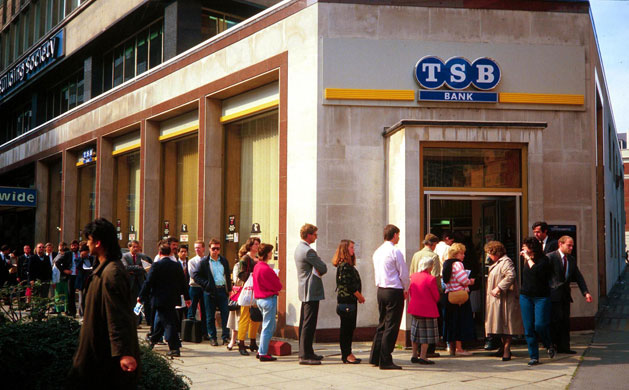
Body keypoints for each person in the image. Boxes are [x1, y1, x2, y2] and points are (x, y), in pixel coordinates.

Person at [69, 218, 140, 389]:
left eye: (89, 240)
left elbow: (118, 315)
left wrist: (124, 354)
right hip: (97, 352)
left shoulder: (111, 273)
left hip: (105, 359)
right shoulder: (102, 269)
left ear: (98, 242)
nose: (87, 244)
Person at [369, 224, 410, 370]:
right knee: (392, 325)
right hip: (393, 290)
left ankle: (375, 356)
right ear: (394, 235)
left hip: (381, 289)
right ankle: (385, 359)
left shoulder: (377, 251)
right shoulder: (395, 251)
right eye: (398, 235)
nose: (398, 237)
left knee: (382, 323)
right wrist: (406, 288)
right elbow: (403, 273)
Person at [139, 242, 190, 357]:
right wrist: (187, 298)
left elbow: (148, 282)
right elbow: (183, 283)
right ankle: (152, 342)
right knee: (164, 321)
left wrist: (141, 296)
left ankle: (174, 348)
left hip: (159, 298)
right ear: (171, 253)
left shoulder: (156, 265)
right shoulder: (177, 265)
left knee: (168, 323)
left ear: (159, 253)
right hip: (172, 299)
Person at [548, 236, 592, 354]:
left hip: (565, 296)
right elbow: (543, 276)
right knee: (555, 321)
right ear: (560, 244)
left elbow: (578, 276)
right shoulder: (551, 257)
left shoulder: (571, 259)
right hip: (553, 295)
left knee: (565, 322)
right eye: (569, 245)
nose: (571, 248)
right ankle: (552, 345)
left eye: (572, 245)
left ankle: (564, 347)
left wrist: (585, 292)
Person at [484, 241, 523, 361]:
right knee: (500, 324)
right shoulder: (497, 262)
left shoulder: (506, 261)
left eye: (489, 253)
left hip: (505, 299)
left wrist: (499, 288)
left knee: (507, 325)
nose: (488, 256)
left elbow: (511, 275)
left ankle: (506, 350)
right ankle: (503, 348)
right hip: (498, 300)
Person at [295, 223, 328, 365]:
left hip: (305, 289)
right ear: (308, 235)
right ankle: (304, 355)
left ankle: (308, 351)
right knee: (309, 323)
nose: (316, 236)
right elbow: (323, 267)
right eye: (315, 234)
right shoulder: (308, 251)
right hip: (310, 290)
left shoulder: (299, 248)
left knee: (305, 322)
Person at [519, 236, 555, 366]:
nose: (522, 249)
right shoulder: (525, 261)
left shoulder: (544, 260)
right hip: (526, 296)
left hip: (541, 297)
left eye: (524, 246)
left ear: (531, 248)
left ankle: (548, 343)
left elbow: (535, 272)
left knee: (539, 325)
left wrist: (528, 259)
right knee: (528, 328)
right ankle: (533, 356)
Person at [192, 238, 231, 346]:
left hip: (222, 290)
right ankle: (212, 337)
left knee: (225, 314)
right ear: (209, 249)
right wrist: (206, 284)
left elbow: (227, 275)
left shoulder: (223, 261)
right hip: (210, 292)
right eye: (213, 248)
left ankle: (225, 336)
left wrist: (230, 289)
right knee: (210, 316)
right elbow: (195, 275)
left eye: (218, 249)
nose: (215, 251)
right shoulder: (204, 262)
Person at [409, 233, 442, 358]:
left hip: (416, 293)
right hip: (428, 296)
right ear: (433, 244)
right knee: (428, 328)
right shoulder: (433, 256)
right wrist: (439, 292)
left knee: (416, 328)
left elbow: (411, 272)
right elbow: (436, 276)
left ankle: (415, 354)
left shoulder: (416, 255)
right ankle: (427, 352)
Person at [333, 239, 364, 364]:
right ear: (345, 249)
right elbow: (349, 285)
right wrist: (359, 296)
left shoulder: (346, 265)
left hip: (349, 302)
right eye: (351, 247)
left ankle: (348, 353)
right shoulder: (344, 266)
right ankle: (346, 354)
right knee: (347, 329)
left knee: (349, 328)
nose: (353, 250)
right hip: (347, 302)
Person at [442, 243, 475, 356]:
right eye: (462, 253)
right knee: (460, 322)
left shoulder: (447, 264)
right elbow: (463, 279)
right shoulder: (458, 264)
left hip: (449, 295)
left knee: (451, 322)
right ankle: (459, 348)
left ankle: (451, 348)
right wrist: (470, 281)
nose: (463, 255)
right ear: (456, 254)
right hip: (459, 296)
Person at [408, 256, 440, 365]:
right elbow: (436, 296)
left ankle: (413, 355)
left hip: (415, 308)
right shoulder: (430, 279)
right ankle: (423, 356)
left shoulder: (413, 276)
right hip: (428, 309)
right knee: (426, 335)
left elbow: (411, 292)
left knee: (415, 333)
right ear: (429, 266)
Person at [253, 243, 282, 362]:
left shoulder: (257, 266)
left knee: (267, 326)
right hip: (268, 299)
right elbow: (278, 285)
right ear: (266, 254)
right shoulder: (266, 269)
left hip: (260, 299)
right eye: (270, 252)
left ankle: (261, 350)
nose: (272, 253)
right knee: (268, 327)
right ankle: (263, 353)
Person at [237, 237, 262, 355]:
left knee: (255, 317)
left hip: (256, 290)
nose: (257, 246)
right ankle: (241, 343)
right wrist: (252, 274)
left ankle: (253, 341)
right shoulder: (245, 258)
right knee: (245, 317)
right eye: (256, 244)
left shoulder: (257, 258)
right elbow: (240, 274)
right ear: (250, 246)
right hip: (247, 291)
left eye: (258, 244)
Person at [226, 244, 248, 350]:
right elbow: (236, 280)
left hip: (248, 294)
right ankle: (233, 340)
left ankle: (241, 340)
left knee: (244, 319)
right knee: (236, 318)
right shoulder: (238, 265)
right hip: (239, 293)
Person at [187, 240, 208, 338]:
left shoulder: (207, 260)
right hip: (194, 287)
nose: (197, 250)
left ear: (203, 248)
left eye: (199, 247)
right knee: (192, 309)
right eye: (195, 248)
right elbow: (193, 275)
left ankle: (205, 332)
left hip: (204, 288)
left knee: (205, 310)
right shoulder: (191, 261)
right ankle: (188, 333)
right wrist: (203, 280)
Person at [121, 240, 148, 311]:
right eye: (134, 247)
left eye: (137, 247)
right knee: (130, 302)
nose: (136, 248)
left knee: (139, 302)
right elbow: (126, 268)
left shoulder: (142, 256)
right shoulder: (125, 256)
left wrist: (133, 270)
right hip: (130, 283)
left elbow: (145, 268)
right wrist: (138, 267)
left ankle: (138, 317)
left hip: (140, 282)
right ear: (129, 247)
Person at [53, 242, 72, 314]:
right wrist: (54, 281)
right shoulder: (57, 257)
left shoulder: (68, 256)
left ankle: (66, 309)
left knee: (66, 295)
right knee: (58, 296)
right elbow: (54, 270)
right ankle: (58, 310)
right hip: (58, 279)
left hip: (66, 278)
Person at [75, 243, 93, 317]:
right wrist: (82, 258)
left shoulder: (92, 258)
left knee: (89, 299)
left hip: (90, 280)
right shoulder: (78, 259)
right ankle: (82, 314)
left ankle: (88, 314)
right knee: (81, 299)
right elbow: (78, 267)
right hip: (82, 281)